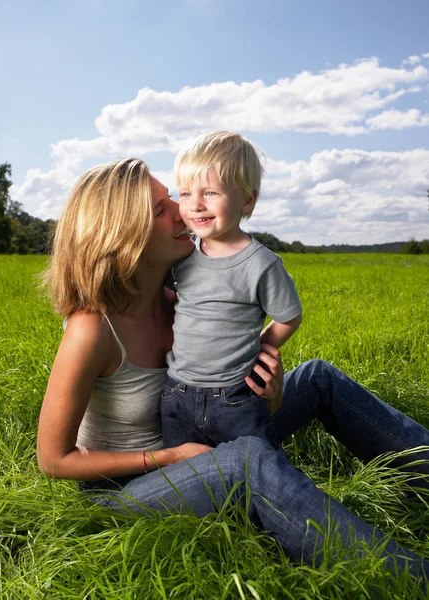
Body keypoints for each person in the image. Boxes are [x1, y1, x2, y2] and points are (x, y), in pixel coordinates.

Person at [37, 157, 429, 586]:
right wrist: (165, 457)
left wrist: (269, 394)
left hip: (204, 435)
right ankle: (411, 581)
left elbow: (225, 394)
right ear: (121, 234)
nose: (181, 210)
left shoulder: (180, 303)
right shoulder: (92, 328)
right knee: (248, 462)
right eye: (159, 208)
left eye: (171, 197)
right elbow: (53, 459)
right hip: (126, 490)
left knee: (316, 377)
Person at [161, 132, 302, 449]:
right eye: (185, 194)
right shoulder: (182, 257)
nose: (195, 204)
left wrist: (259, 349)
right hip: (176, 393)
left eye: (210, 192)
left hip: (236, 396)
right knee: (185, 483)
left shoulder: (262, 264)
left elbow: (289, 317)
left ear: (247, 199)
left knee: (256, 471)